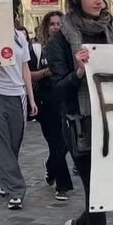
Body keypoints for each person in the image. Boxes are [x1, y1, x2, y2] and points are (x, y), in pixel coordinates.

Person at [47, 0, 113, 225]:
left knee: (112, 190)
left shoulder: (108, 32)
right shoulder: (60, 40)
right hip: (80, 123)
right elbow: (58, 91)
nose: (99, 0)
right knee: (98, 190)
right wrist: (79, 70)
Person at [0, 0, 38, 210]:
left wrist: (31, 97)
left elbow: (25, 68)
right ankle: (16, 190)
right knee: (1, 142)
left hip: (17, 94)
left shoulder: (19, 37)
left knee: (13, 143)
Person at [32, 11, 73, 201]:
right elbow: (29, 75)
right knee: (55, 141)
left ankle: (52, 167)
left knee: (65, 143)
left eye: (59, 23)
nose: (56, 27)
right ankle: (62, 185)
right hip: (46, 100)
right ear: (46, 27)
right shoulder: (38, 49)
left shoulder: (69, 47)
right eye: (52, 24)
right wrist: (47, 72)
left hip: (65, 99)